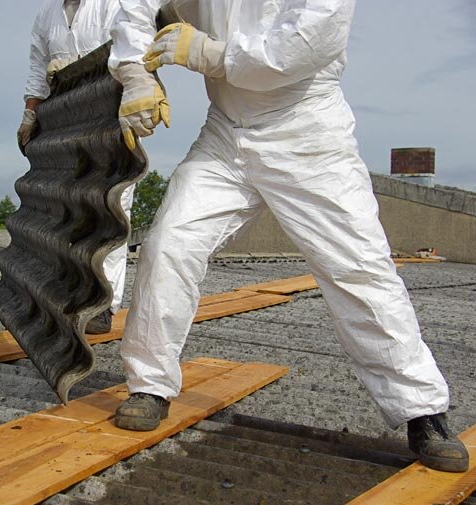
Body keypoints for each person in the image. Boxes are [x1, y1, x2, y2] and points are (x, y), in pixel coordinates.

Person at [107, 0, 469, 473]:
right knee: (168, 244)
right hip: (225, 133)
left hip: (306, 131)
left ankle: (422, 411)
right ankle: (149, 385)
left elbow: (300, 47)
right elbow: (136, 6)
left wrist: (208, 55)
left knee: (358, 268)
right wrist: (136, 73)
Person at [19, 0, 132, 334]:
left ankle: (103, 304)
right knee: (66, 207)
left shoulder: (114, 5)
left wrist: (84, 67)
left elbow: (135, 50)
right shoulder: (48, 15)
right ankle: (66, 294)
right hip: (65, 119)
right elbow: (38, 68)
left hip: (111, 114)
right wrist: (30, 112)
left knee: (111, 207)